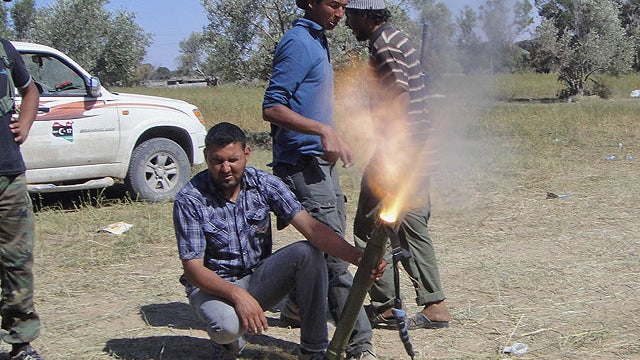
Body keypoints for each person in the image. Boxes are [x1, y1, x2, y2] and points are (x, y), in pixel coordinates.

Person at [173, 122, 385, 359]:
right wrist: (237, 295)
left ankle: (314, 351)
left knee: (308, 253)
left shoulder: (264, 184)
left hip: (256, 278)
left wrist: (359, 257)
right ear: (206, 157)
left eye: (232, 160)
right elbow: (193, 271)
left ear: (246, 153)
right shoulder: (190, 199)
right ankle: (228, 344)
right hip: (213, 287)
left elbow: (313, 230)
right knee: (226, 328)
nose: (225, 168)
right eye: (217, 161)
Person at [262, 0, 378, 359]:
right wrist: (322, 130)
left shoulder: (317, 37)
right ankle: (359, 345)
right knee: (335, 254)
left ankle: (296, 308)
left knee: (320, 247)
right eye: (333, 5)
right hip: (303, 166)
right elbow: (272, 106)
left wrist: (331, 134)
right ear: (310, 2)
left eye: (344, 6)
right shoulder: (298, 42)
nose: (340, 14)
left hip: (317, 162)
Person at [344, 0, 452, 330]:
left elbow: (401, 95)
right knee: (413, 224)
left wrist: (390, 148)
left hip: (400, 151)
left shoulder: (383, 43)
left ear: (365, 13)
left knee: (368, 226)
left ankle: (386, 305)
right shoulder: (398, 37)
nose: (348, 23)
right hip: (417, 150)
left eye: (351, 16)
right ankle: (435, 304)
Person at [0, 37, 43, 360]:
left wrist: (24, 124)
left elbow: (30, 91)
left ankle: (21, 343)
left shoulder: (3, 49)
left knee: (16, 262)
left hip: (8, 176)